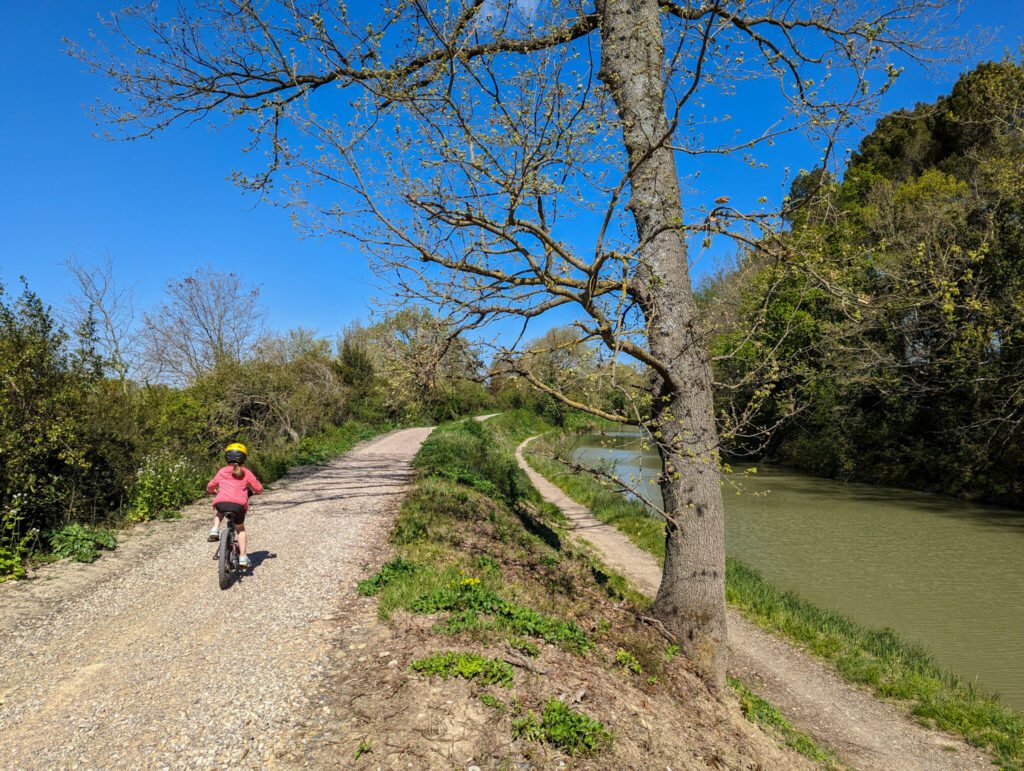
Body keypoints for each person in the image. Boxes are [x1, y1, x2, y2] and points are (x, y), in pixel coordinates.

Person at [207, 442, 263, 568]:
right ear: (244, 458)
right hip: (238, 506)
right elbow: (258, 487)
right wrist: (256, 491)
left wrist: (212, 491)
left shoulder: (222, 471)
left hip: (221, 503)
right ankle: (243, 557)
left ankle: (215, 529)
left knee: (219, 512)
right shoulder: (246, 472)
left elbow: (211, 485)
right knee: (240, 529)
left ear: (226, 457)